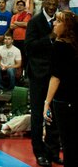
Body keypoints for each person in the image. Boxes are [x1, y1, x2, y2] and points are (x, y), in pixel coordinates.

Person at [25, 0, 61, 167]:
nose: (52, 7)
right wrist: (50, 37)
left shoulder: (60, 21)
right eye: (50, 4)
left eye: (55, 4)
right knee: (38, 114)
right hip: (38, 74)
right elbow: (29, 46)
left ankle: (52, 152)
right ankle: (39, 152)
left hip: (56, 75)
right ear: (44, 5)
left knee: (54, 114)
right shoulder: (35, 22)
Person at [43, 11, 78, 167]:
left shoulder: (60, 45)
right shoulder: (74, 44)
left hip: (64, 100)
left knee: (69, 144)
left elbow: (56, 77)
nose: (54, 23)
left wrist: (46, 103)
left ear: (67, 26)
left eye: (58, 21)